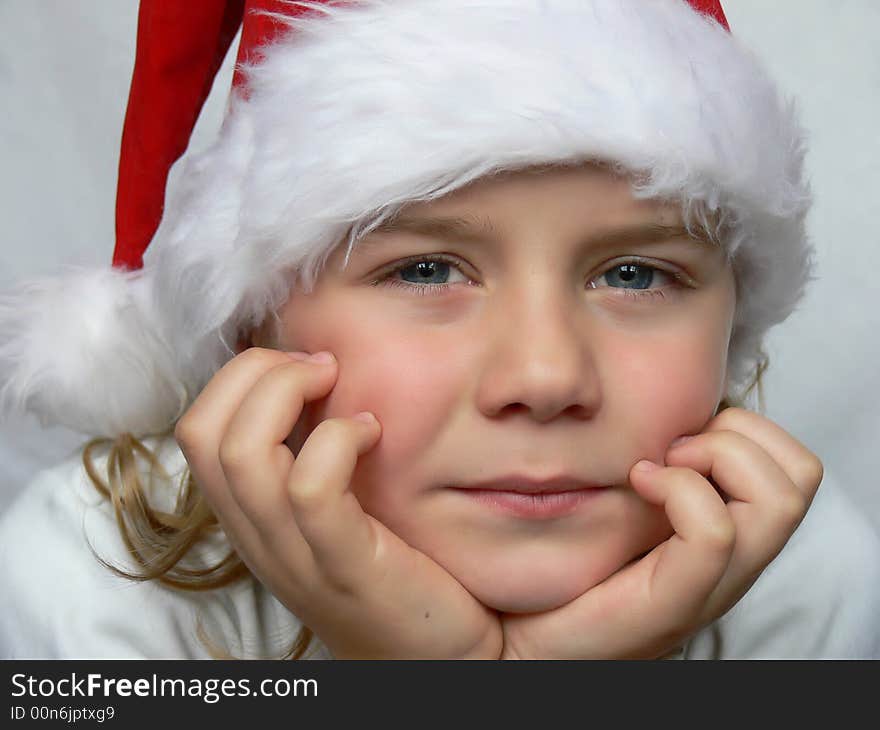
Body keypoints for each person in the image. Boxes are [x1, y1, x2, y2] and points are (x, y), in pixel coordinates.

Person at [1, 0, 878, 659]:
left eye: (635, 274)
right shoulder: (83, 593)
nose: (544, 376)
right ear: (248, 327)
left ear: (732, 324)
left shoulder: (816, 592)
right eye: (424, 270)